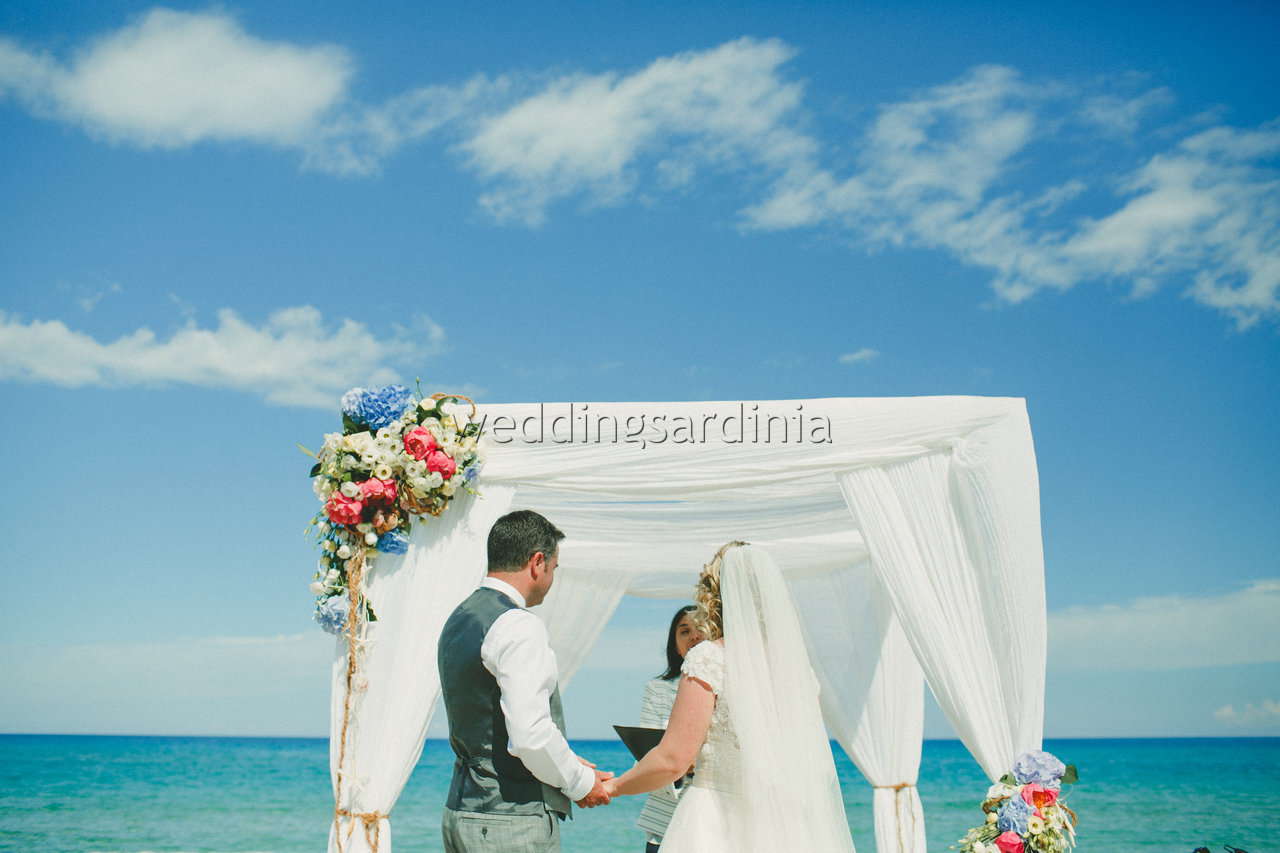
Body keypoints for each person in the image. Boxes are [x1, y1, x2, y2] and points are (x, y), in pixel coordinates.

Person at [604, 542, 855, 853]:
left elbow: (672, 759)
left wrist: (611, 787)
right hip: (783, 825)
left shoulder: (709, 658)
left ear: (713, 596)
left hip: (717, 823)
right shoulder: (799, 673)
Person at [437, 509, 612, 853]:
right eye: (554, 568)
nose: (552, 578)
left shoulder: (458, 619)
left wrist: (567, 761)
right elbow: (530, 735)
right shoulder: (517, 624)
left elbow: (494, 722)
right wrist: (581, 783)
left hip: (461, 812)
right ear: (537, 563)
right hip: (508, 822)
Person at [636, 605, 704, 852]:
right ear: (675, 645)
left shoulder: (735, 686)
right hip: (664, 822)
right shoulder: (657, 689)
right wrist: (675, 767)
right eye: (684, 631)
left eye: (701, 628)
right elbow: (645, 756)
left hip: (717, 822)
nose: (694, 636)